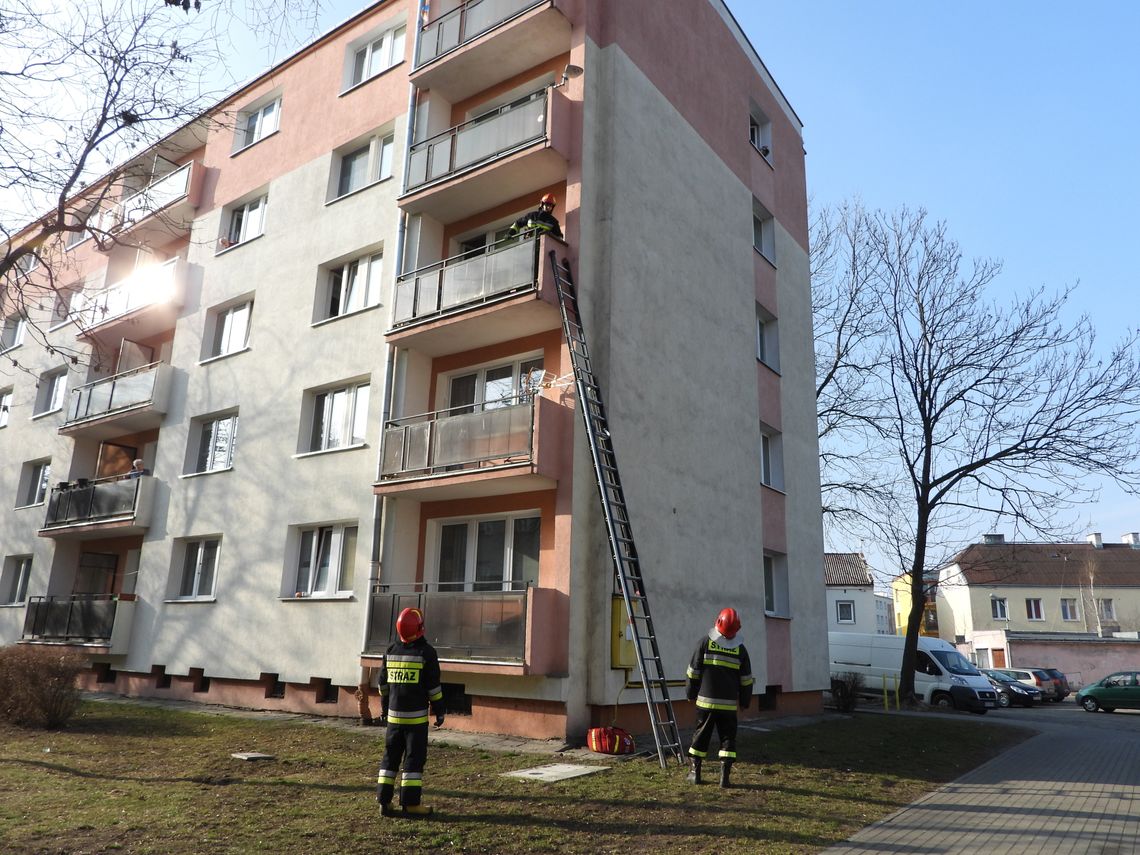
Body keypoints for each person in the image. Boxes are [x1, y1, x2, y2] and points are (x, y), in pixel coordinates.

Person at [376, 607, 445, 818]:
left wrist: (385, 708)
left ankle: (384, 802)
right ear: (420, 628)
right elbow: (433, 688)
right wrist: (440, 711)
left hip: (393, 720)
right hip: (416, 721)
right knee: (413, 761)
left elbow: (382, 685)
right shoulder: (426, 653)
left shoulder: (390, 651)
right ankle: (411, 803)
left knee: (390, 759)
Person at [685, 607, 753, 788]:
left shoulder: (704, 643)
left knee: (701, 736)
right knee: (728, 738)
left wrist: (690, 693)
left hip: (705, 704)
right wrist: (745, 702)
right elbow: (746, 680)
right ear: (737, 629)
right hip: (728, 706)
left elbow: (693, 672)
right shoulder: (740, 650)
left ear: (717, 622)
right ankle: (725, 778)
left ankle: (695, 773)